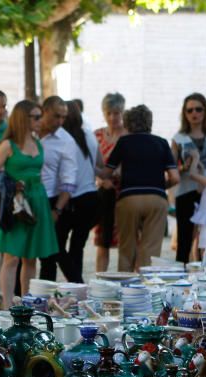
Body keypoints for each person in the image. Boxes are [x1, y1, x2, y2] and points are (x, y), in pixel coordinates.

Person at [98, 104, 178, 272]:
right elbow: (175, 178)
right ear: (149, 122)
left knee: (127, 248)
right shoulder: (162, 143)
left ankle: (125, 287)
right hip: (156, 199)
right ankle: (145, 288)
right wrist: (158, 186)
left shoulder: (124, 142)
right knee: (150, 250)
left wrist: (97, 169)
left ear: (127, 123)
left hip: (129, 198)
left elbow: (106, 173)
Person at [0, 101, 58, 301]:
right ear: (23, 118)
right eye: (36, 117)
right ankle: (7, 304)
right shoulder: (7, 145)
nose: (41, 120)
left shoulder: (38, 142)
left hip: (38, 200)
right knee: (11, 257)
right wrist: (10, 186)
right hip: (17, 204)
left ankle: (26, 303)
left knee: (31, 258)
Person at [170, 93, 206, 264]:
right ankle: (181, 279)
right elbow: (172, 169)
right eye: (189, 110)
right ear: (184, 114)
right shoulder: (178, 138)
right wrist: (184, 167)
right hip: (187, 190)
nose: (194, 113)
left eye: (198, 109)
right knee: (184, 241)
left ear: (205, 111)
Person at [54, 100, 103, 283]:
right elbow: (100, 164)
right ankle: (77, 287)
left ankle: (77, 283)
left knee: (56, 245)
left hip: (70, 200)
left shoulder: (62, 140)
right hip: (91, 197)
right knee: (77, 247)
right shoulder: (90, 136)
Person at [36, 96, 80, 281]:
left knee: (50, 255)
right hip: (24, 199)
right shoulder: (29, 131)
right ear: (43, 111)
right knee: (21, 254)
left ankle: (46, 299)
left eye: (63, 117)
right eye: (56, 116)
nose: (60, 121)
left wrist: (57, 209)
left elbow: (69, 180)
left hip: (50, 200)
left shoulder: (66, 140)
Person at [93, 92, 127, 272]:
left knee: (126, 241)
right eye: (109, 113)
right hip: (105, 193)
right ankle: (100, 281)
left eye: (117, 113)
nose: (113, 117)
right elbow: (89, 164)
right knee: (102, 243)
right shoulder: (97, 135)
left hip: (124, 193)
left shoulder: (129, 136)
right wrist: (100, 179)